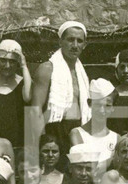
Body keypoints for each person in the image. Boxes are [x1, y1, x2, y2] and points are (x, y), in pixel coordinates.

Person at [31, 21, 90, 149]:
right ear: (60, 42)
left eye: (79, 41)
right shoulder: (47, 69)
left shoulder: (82, 74)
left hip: (78, 132)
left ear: (84, 45)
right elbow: (35, 110)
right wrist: (42, 143)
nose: (75, 45)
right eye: (70, 40)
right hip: (54, 131)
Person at [0, 38, 31, 153]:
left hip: (17, 146)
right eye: (3, 60)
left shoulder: (23, 84)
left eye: (12, 61)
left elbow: (28, 96)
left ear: (17, 63)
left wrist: (24, 66)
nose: (7, 66)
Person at [69, 78, 118, 171]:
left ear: (113, 108)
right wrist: (111, 159)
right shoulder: (77, 134)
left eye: (107, 106)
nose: (102, 110)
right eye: (98, 105)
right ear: (89, 103)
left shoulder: (116, 138)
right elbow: (87, 166)